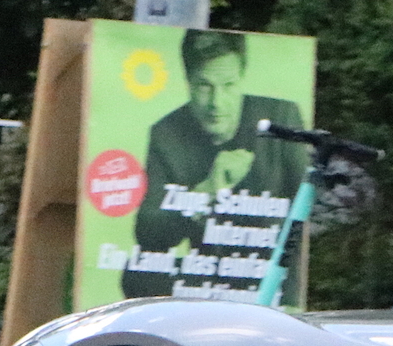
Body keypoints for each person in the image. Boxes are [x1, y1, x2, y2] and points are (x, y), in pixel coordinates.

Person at [124, 30, 307, 299]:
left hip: (267, 272)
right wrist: (208, 189)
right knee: (135, 270)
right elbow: (148, 232)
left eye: (229, 85)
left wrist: (289, 298)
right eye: (204, 86)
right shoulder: (167, 133)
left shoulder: (281, 119)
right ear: (187, 82)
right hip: (205, 276)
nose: (217, 103)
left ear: (243, 78)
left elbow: (306, 211)